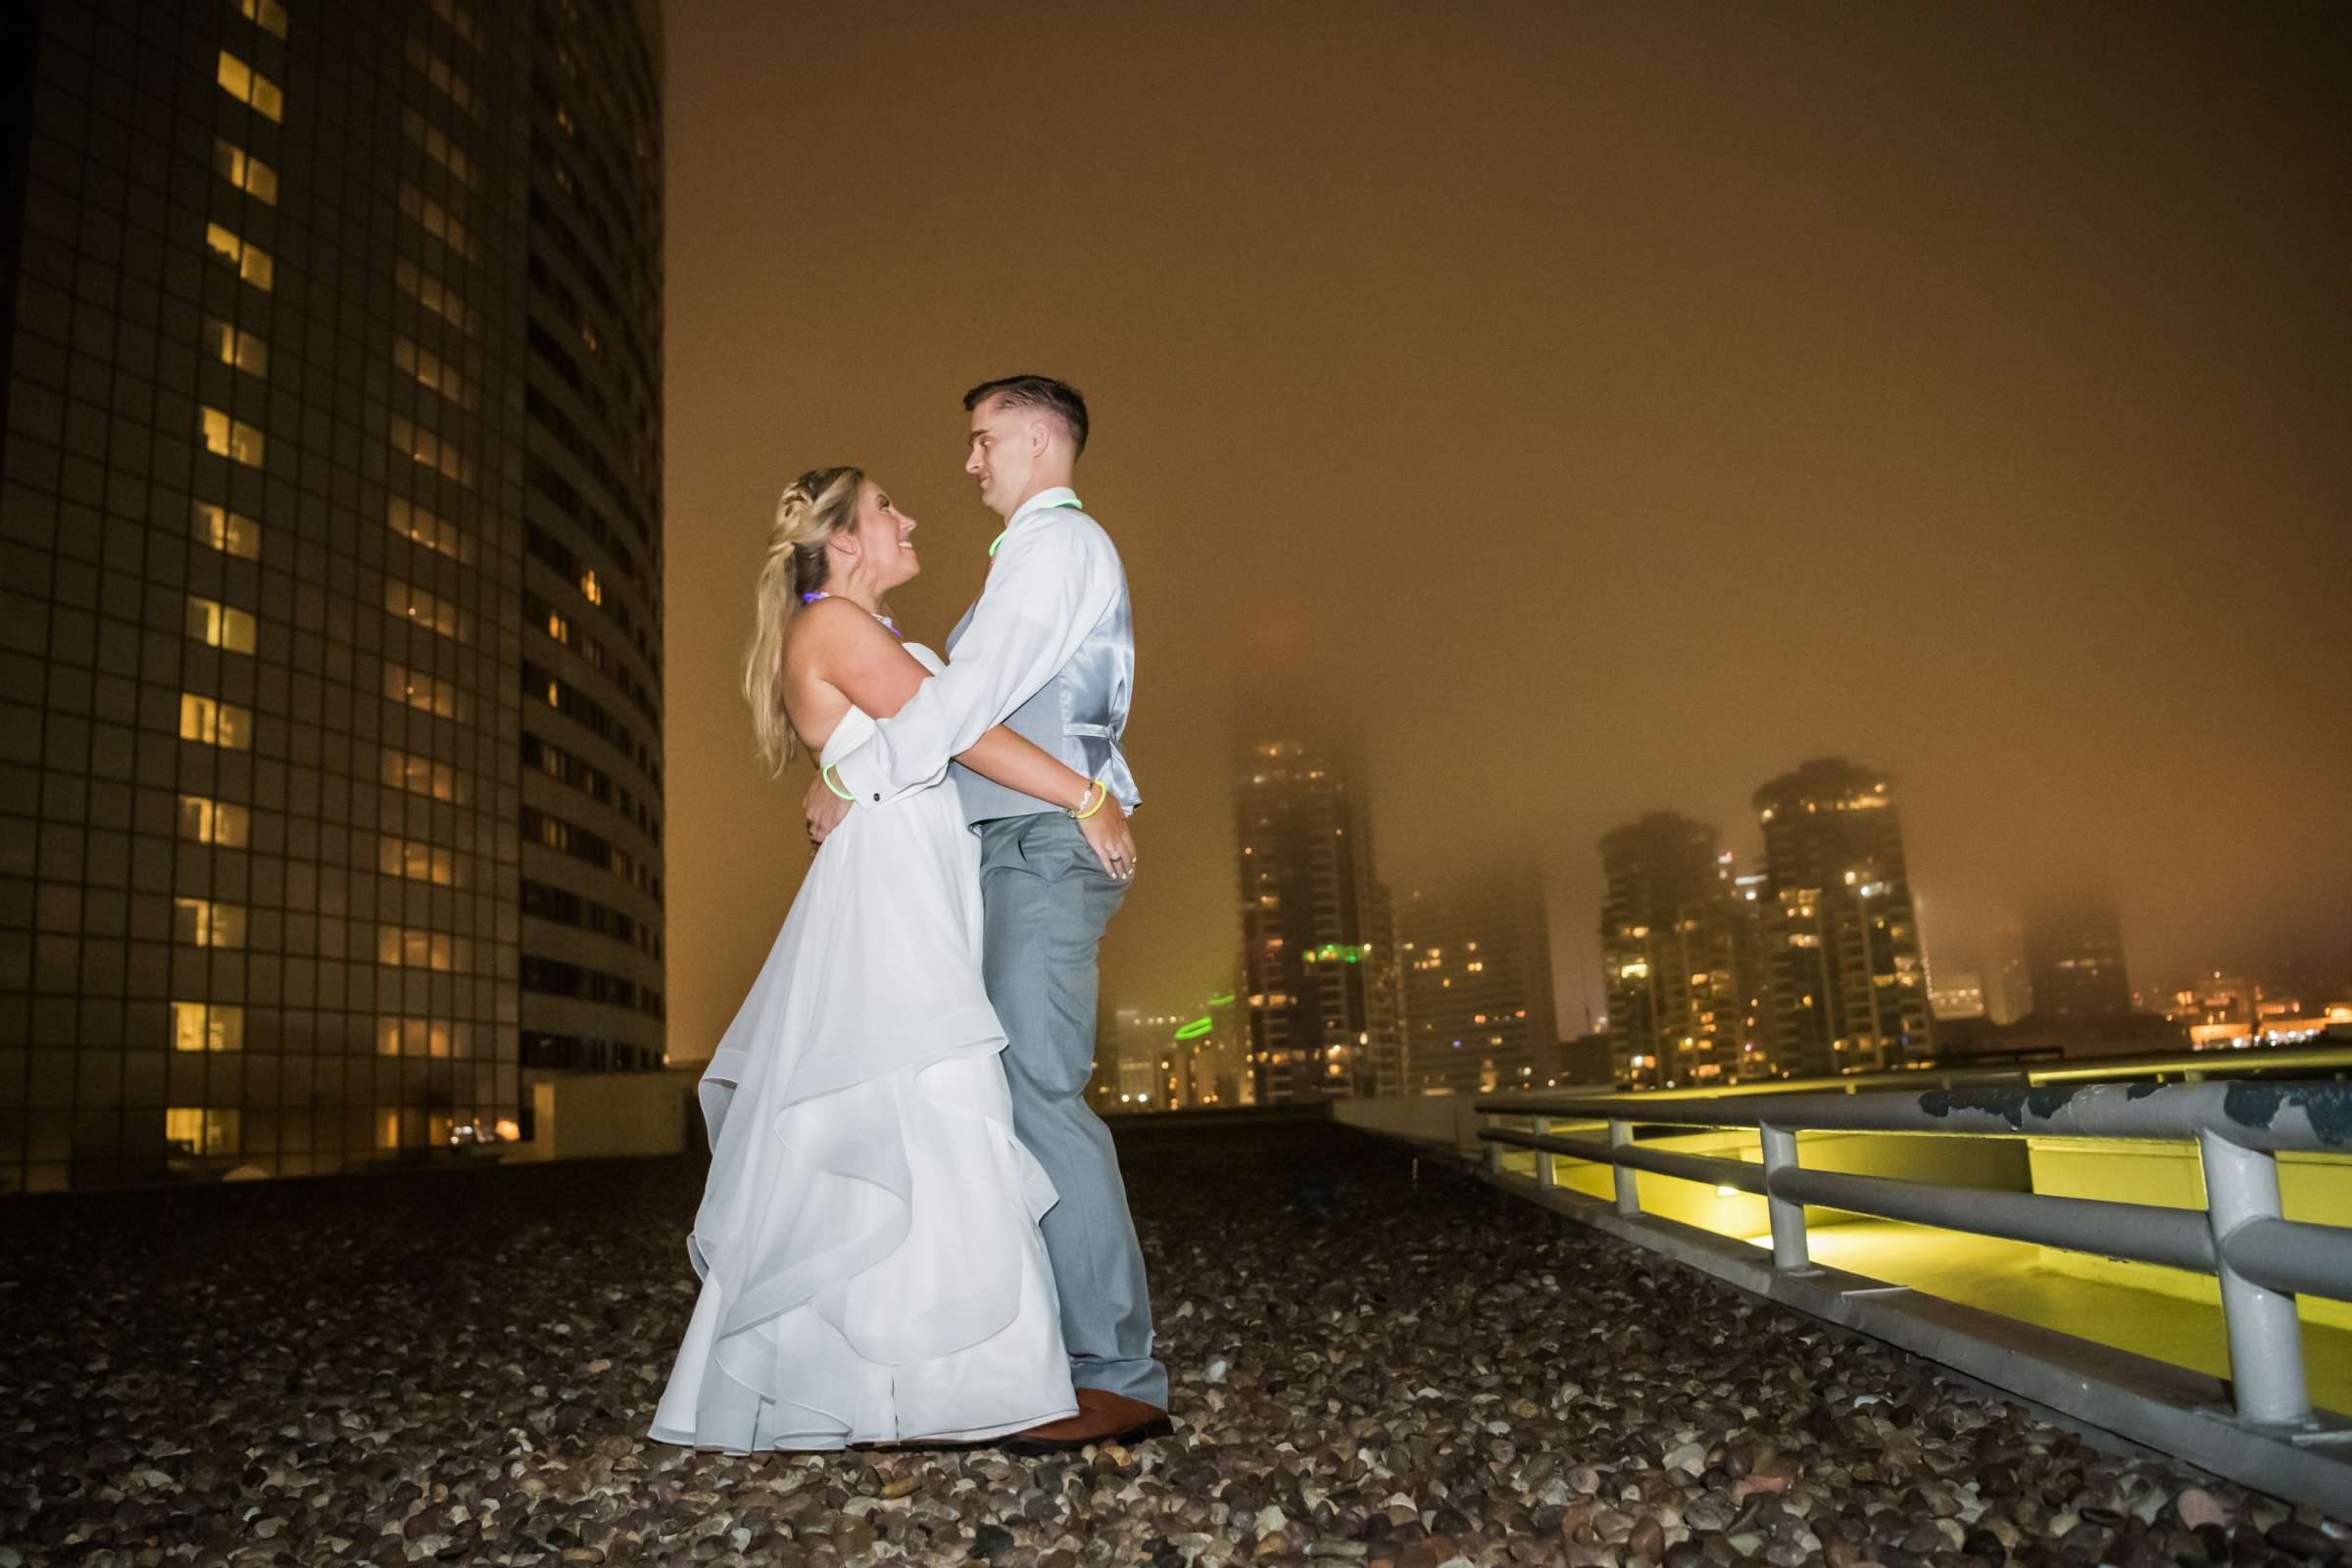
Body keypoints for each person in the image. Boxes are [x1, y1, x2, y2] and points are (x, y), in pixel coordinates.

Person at [651, 466, 1136, 1451]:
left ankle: (895, 1376)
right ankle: (950, 1378)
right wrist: (1084, 795)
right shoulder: (833, 625)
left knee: (907, 1104)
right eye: (887, 511)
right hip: (894, 887)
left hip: (911, 863)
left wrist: (845, 777)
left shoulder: (844, 631)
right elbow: (956, 729)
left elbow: (905, 739)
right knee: (923, 1096)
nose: (911, 519)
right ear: (843, 542)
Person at [804, 376, 1169, 1450]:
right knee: (1009, 1097)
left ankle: (1119, 1373)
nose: (968, 464)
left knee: (1039, 1096)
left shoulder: (1057, 549)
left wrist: (860, 773)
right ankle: (1048, 1353)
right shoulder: (1028, 559)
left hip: (1043, 848)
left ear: (1042, 437)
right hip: (1013, 845)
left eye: (983, 439)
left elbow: (962, 705)